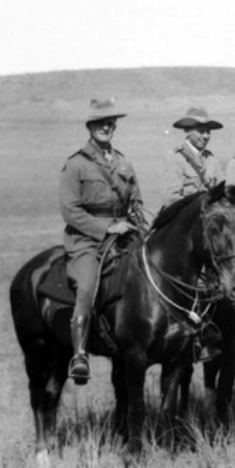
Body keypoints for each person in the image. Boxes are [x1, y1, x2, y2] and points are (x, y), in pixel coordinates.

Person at [59, 98, 144, 385]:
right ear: (90, 126)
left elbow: (137, 202)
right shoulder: (75, 165)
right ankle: (80, 353)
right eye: (100, 122)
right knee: (87, 285)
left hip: (124, 234)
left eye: (111, 122)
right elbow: (70, 211)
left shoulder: (124, 162)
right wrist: (107, 229)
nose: (107, 126)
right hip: (87, 240)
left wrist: (134, 223)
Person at [160, 107, 225, 207]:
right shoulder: (175, 159)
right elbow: (171, 200)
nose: (206, 136)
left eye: (208, 132)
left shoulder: (211, 159)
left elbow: (222, 191)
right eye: (201, 131)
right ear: (187, 130)